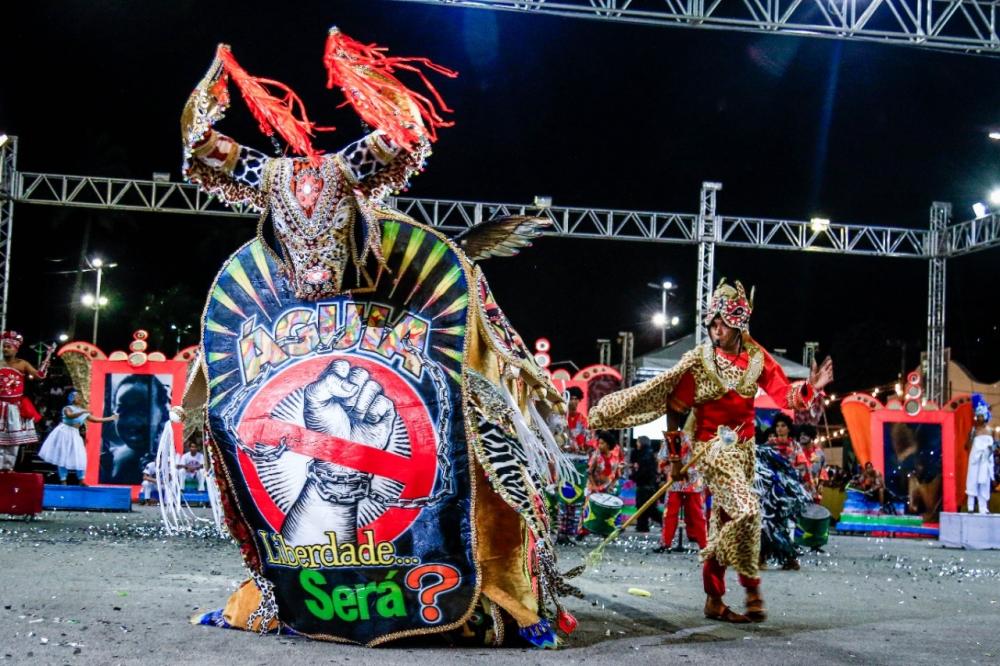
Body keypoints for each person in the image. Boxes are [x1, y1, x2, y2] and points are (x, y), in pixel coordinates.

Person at [590, 280, 833, 623]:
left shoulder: (756, 359)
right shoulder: (700, 362)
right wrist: (675, 459)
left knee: (725, 522)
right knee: (748, 512)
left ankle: (714, 600)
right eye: (713, 322)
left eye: (724, 322)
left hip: (745, 452)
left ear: (739, 323)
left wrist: (810, 387)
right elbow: (675, 408)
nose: (717, 329)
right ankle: (752, 589)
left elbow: (784, 396)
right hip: (712, 450)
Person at [100, 375, 170, 485]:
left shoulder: (168, 458)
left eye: (142, 411)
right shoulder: (107, 461)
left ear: (162, 413)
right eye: (123, 410)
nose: (132, 421)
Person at [38, 389, 118, 484]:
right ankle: (63, 480)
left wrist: (110, 418)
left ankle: (81, 479)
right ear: (72, 399)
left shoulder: (83, 411)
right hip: (64, 432)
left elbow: (95, 419)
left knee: (81, 455)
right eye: (76, 396)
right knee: (63, 456)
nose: (79, 398)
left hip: (74, 433)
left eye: (79, 396)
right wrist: (82, 412)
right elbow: (70, 415)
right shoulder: (68, 408)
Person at [0, 331, 45, 471]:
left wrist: (44, 366)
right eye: (4, 346)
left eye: (9, 346)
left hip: (15, 407)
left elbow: (39, 376)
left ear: (16, 348)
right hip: (0, 405)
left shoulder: (22, 364)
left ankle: (8, 468)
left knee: (13, 440)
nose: (5, 349)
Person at [654, 434, 707, 552]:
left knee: (697, 514)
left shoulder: (700, 436)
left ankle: (704, 544)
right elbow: (663, 460)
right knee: (671, 514)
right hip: (675, 480)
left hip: (693, 480)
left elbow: (706, 459)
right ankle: (666, 543)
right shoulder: (671, 437)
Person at [966, 395, 996, 514]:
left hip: (986, 460)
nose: (979, 418)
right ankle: (970, 507)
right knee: (972, 481)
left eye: (981, 416)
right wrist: (971, 437)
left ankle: (983, 508)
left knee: (984, 483)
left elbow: (996, 445)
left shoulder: (991, 430)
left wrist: (991, 449)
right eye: (978, 416)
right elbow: (966, 446)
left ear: (986, 416)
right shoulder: (974, 430)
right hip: (975, 460)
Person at [629, 435, 660, 533]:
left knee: (646, 508)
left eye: (638, 442)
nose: (636, 444)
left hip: (645, 486)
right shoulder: (647, 454)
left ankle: (643, 526)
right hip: (649, 485)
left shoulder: (644, 455)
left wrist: (634, 477)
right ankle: (642, 525)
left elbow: (643, 471)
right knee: (648, 508)